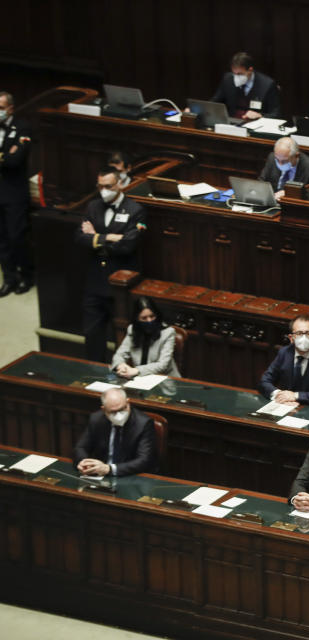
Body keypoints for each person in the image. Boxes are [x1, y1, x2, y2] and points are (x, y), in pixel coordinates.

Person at [75, 167, 147, 363]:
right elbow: (80, 238)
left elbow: (128, 245)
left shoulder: (135, 210)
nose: (104, 190)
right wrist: (110, 238)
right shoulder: (93, 207)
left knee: (123, 337)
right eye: (100, 186)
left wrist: (95, 238)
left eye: (108, 186)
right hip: (95, 281)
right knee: (92, 335)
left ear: (120, 184)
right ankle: (94, 373)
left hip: (120, 283)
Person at [74, 388, 157, 477]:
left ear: (128, 402)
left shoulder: (143, 423)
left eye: (122, 409)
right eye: (113, 412)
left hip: (132, 475)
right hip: (102, 475)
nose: (119, 415)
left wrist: (109, 469)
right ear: (104, 409)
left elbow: (144, 460)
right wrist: (85, 463)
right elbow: (81, 447)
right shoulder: (96, 419)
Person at [0, 91, 34, 296]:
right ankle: (9, 278)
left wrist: (7, 157)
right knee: (1, 239)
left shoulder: (22, 127)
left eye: (1, 108)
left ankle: (27, 276)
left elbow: (15, 161)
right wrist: (5, 155)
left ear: (11, 108)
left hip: (14, 194)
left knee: (16, 237)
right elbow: (8, 158)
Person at [259, 315, 309, 405]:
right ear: (291, 338)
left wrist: (296, 396)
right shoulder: (284, 353)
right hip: (284, 405)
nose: (304, 338)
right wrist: (279, 395)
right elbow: (264, 381)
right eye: (299, 333)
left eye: (308, 333)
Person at [111, 296, 181, 379]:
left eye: (152, 316)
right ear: (137, 319)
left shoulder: (168, 332)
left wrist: (137, 370)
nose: (149, 321)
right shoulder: (133, 330)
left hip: (165, 381)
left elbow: (163, 365)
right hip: (139, 380)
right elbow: (120, 354)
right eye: (144, 318)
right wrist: (121, 365)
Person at [210, 51, 281, 121]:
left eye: (240, 74)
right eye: (234, 74)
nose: (236, 78)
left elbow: (276, 114)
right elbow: (215, 102)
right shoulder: (228, 79)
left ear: (250, 70)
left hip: (255, 125)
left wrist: (260, 116)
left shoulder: (267, 85)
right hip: (231, 122)